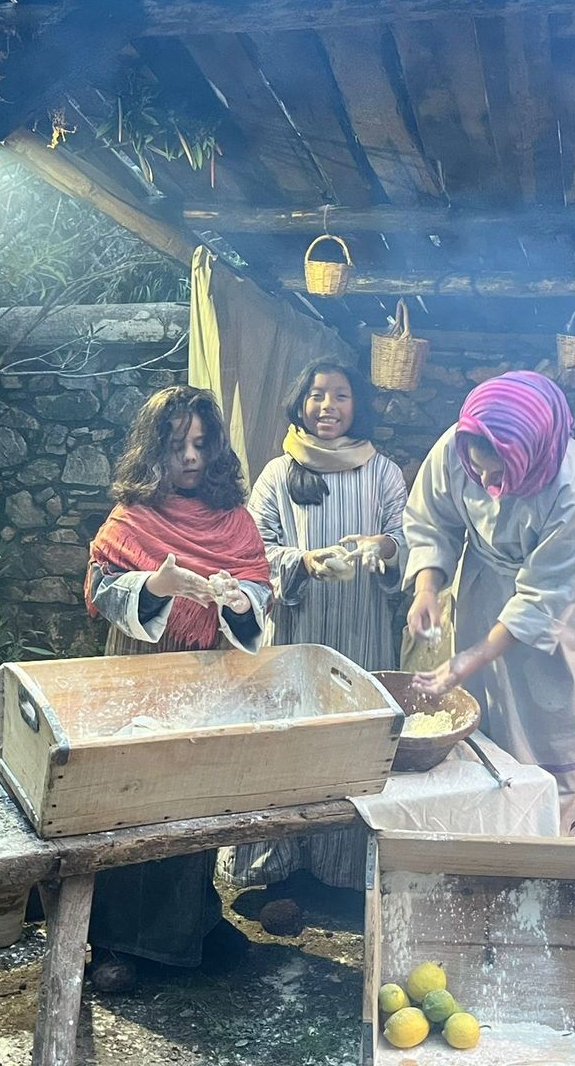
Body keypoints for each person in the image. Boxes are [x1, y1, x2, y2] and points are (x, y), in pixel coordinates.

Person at [84, 385, 272, 989]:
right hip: (139, 673)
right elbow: (100, 590)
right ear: (151, 451)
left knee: (195, 796)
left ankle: (192, 924)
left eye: (200, 444)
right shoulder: (131, 519)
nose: (189, 457)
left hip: (207, 676)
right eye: (174, 445)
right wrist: (155, 588)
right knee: (135, 795)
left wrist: (242, 601)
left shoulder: (235, 521)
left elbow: (258, 596)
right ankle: (116, 942)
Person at [226, 359, 408, 888]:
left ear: (359, 406)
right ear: (300, 403)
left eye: (341, 395)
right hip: (300, 634)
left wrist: (384, 545)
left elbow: (409, 538)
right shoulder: (279, 473)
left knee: (360, 743)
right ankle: (279, 864)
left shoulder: (382, 471)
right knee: (294, 742)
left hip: (365, 635)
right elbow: (254, 549)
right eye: (317, 394)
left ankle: (349, 871)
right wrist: (303, 563)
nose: (328, 406)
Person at [404, 371, 575, 833]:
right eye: (477, 470)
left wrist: (466, 660)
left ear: (529, 456)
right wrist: (426, 590)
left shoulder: (572, 481)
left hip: (561, 601)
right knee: (487, 712)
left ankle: (547, 840)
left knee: (551, 714)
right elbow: (433, 521)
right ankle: (489, 829)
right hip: (485, 581)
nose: (483, 480)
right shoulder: (459, 446)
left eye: (497, 474)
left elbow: (542, 594)